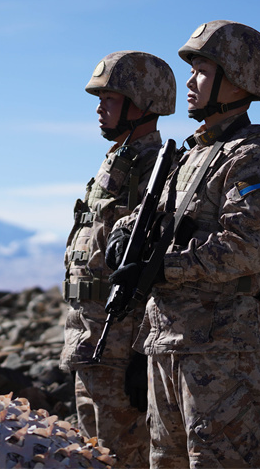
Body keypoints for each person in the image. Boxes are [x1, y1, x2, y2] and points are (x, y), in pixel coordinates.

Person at [108, 21, 260, 468]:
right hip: (166, 341)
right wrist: (122, 234)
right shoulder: (192, 154)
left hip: (221, 351)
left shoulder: (255, 155)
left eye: (201, 72)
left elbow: (246, 246)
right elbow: (155, 216)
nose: (189, 82)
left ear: (238, 81)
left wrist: (161, 267)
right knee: (165, 460)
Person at [61, 50, 177, 468]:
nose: (99, 108)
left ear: (143, 103)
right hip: (90, 337)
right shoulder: (118, 162)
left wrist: (142, 353)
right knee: (93, 453)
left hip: (120, 343)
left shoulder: (156, 169)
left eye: (109, 99)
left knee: (122, 455)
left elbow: (152, 268)